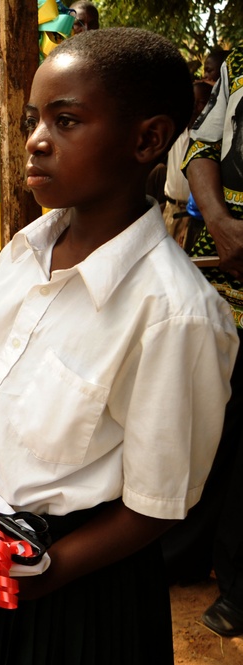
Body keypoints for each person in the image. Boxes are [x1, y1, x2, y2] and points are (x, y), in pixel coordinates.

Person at [0, 28, 238, 664]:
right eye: (33, 119)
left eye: (67, 119)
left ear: (147, 140)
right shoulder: (24, 254)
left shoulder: (174, 315)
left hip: (69, 600)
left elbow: (156, 506)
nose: (36, 139)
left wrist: (31, 578)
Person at [167, 46, 243, 638]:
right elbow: (201, 146)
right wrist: (215, 216)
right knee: (211, 425)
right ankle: (188, 556)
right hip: (221, 284)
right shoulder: (239, 60)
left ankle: (237, 589)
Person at [162, 80, 212, 247]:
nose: (195, 107)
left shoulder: (209, 139)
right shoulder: (174, 131)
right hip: (172, 209)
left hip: (196, 217)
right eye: (192, 101)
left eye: (202, 103)